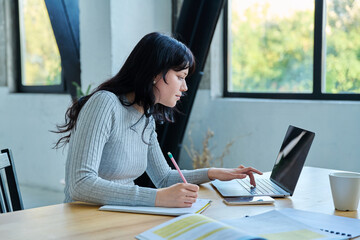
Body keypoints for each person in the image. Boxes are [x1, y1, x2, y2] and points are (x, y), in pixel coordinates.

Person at [54, 32, 262, 208]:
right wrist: (156, 198)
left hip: (119, 215)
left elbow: (163, 178)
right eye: (180, 77)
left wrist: (213, 173)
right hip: (85, 220)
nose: (184, 87)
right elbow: (80, 184)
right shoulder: (105, 103)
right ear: (155, 73)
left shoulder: (145, 117)